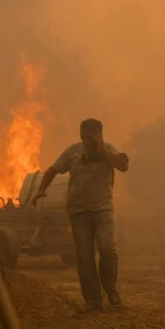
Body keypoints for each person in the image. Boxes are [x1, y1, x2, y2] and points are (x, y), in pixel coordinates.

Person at [31, 118, 129, 311]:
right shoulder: (73, 152)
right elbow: (52, 170)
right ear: (80, 135)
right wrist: (42, 188)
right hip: (78, 211)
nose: (88, 140)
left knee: (108, 250)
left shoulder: (109, 150)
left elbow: (123, 165)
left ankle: (111, 291)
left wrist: (102, 149)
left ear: (100, 135)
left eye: (92, 136)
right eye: (85, 136)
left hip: (103, 208)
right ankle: (93, 301)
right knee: (85, 256)